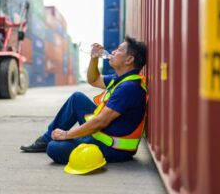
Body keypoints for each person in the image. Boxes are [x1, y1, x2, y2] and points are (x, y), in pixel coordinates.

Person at [20, 36, 147, 164]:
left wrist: (67, 135)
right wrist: (94, 58)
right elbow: (94, 80)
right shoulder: (120, 79)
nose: (113, 51)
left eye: (119, 50)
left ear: (129, 59)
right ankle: (45, 140)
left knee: (54, 148)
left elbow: (101, 121)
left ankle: (55, 141)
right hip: (104, 133)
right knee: (77, 98)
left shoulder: (129, 87)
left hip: (113, 147)